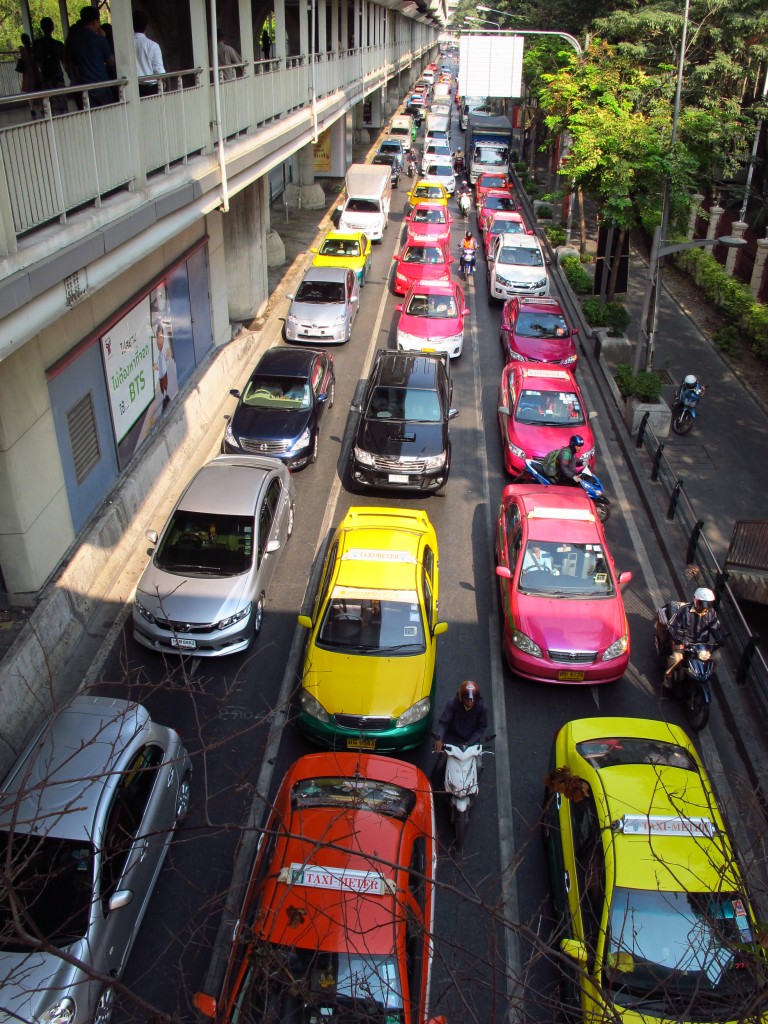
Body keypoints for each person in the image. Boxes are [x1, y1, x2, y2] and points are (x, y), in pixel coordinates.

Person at [663, 587, 722, 688]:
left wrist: (719, 638)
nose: (705, 608)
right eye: (703, 604)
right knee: (676, 658)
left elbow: (714, 627)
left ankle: (707, 674)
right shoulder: (684, 611)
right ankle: (668, 676)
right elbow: (671, 626)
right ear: (696, 601)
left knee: (717, 657)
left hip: (701, 645)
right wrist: (677, 638)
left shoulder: (711, 613)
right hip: (684, 643)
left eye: (708, 605)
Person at [65, 7, 115, 108]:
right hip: (102, 86)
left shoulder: (73, 40)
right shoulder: (99, 39)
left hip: (83, 87)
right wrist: (105, 39)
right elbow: (111, 61)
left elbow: (70, 63)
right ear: (95, 21)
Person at [434, 681, 489, 756]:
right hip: (452, 738)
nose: (470, 702)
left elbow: (481, 727)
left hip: (470, 739)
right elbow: (444, 723)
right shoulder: (452, 704)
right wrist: (439, 739)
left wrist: (469, 743)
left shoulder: (482, 708)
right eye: (467, 698)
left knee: (478, 764)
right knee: (440, 764)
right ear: (461, 697)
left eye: (473, 698)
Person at [32, 18, 68, 115]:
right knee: (61, 105)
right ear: (52, 28)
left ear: (42, 28)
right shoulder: (58, 45)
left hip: (45, 77)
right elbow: (65, 63)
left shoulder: (37, 44)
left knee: (47, 105)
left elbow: (35, 62)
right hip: (58, 77)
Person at [133, 11, 165, 97]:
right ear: (146, 26)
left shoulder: (125, 46)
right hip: (151, 90)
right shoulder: (153, 46)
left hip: (132, 90)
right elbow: (160, 72)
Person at [17, 33, 42, 119]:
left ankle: (32, 108)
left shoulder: (22, 50)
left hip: (27, 73)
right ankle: (41, 106)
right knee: (38, 89)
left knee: (29, 91)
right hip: (35, 71)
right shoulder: (33, 50)